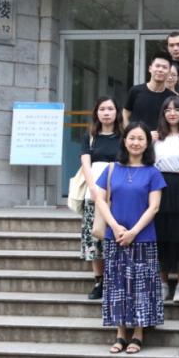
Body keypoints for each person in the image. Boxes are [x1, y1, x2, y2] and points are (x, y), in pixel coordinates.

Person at [94, 122, 166, 355]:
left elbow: (154, 207)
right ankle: (120, 333)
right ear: (124, 141)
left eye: (141, 139)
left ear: (147, 143)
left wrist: (133, 231)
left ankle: (138, 333)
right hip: (114, 237)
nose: (136, 142)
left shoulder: (153, 172)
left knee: (141, 286)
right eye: (132, 138)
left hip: (143, 237)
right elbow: (100, 200)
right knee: (117, 285)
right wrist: (115, 227)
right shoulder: (111, 169)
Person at [79, 96, 123, 300]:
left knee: (115, 236)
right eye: (102, 109)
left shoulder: (124, 136)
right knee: (94, 237)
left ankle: (115, 280)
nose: (106, 112)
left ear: (117, 112)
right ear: (96, 112)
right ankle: (99, 281)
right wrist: (94, 189)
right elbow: (86, 165)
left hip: (119, 194)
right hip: (95, 194)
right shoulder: (90, 136)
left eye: (110, 109)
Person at [153, 96, 179, 303]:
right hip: (160, 186)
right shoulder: (155, 137)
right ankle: (163, 283)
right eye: (168, 110)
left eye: (177, 110)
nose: (172, 113)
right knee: (161, 236)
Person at [123, 54, 176, 130]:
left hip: (161, 137)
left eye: (164, 67)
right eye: (157, 66)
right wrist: (129, 132)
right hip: (138, 137)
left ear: (169, 72)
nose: (160, 70)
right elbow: (125, 113)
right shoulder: (135, 91)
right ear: (150, 69)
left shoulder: (172, 97)